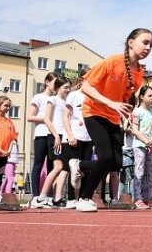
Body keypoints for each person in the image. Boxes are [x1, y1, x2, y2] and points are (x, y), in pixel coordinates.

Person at [71, 28, 152, 212]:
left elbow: (123, 99)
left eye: (151, 45)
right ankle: (84, 198)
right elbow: (85, 86)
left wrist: (126, 112)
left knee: (116, 163)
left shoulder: (139, 74)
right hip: (94, 112)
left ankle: (80, 165)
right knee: (106, 157)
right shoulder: (112, 61)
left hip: (113, 117)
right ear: (131, 42)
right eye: (145, 42)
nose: (148, 47)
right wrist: (111, 103)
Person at [30, 76, 71, 208]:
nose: (68, 90)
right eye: (65, 87)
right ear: (58, 88)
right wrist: (56, 136)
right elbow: (47, 119)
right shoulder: (52, 99)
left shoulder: (65, 103)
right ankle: (41, 197)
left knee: (62, 168)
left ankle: (56, 197)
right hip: (54, 136)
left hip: (63, 137)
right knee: (58, 167)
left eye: (69, 87)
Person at [27, 72, 57, 208]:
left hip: (53, 135)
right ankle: (35, 195)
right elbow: (30, 117)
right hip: (40, 134)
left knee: (52, 166)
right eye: (54, 82)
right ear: (47, 82)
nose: (56, 86)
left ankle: (48, 195)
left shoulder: (56, 99)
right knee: (38, 164)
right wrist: (46, 117)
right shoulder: (38, 97)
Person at [65, 69, 93, 209]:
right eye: (90, 79)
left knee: (86, 170)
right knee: (74, 169)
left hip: (89, 138)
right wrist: (70, 135)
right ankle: (71, 198)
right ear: (82, 80)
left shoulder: (93, 97)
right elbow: (66, 116)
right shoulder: (73, 95)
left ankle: (83, 198)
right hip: (76, 136)